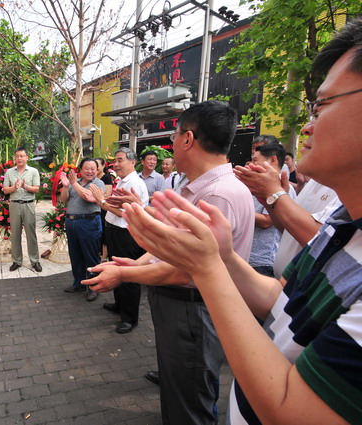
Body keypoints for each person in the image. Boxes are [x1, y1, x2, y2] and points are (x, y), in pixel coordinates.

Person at [117, 19, 362, 424]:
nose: (307, 125)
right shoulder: (341, 224)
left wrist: (208, 267)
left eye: (322, 105)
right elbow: (280, 298)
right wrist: (224, 257)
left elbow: (292, 411)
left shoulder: (221, 190)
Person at [86, 101, 254, 425]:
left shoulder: (217, 194)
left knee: (190, 404)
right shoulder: (199, 187)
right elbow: (172, 246)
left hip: (193, 308)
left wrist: (124, 274)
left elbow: (184, 270)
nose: (170, 144)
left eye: (174, 136)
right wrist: (134, 265)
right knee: (179, 392)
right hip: (182, 307)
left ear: (188, 139)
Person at [90, 147, 148, 334]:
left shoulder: (134, 184)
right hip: (114, 231)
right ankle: (120, 304)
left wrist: (102, 202)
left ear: (133, 162)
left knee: (128, 274)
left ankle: (130, 318)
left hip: (126, 234)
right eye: (115, 160)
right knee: (116, 268)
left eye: (120, 160)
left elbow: (126, 214)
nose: (115, 164)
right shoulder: (123, 181)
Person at [59, 158, 105, 302]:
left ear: (97, 170)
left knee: (91, 256)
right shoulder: (76, 182)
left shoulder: (98, 183)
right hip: (72, 222)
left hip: (89, 222)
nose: (90, 171)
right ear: (81, 170)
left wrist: (73, 183)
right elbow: (63, 199)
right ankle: (78, 283)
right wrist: (66, 186)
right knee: (75, 255)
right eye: (87, 168)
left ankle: (94, 287)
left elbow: (89, 197)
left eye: (93, 168)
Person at [248, 143, 296, 277]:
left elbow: (267, 221)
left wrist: (240, 211)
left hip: (263, 261)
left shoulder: (281, 186)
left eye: (255, 160)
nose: (252, 164)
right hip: (251, 258)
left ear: (273, 160)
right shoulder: (258, 183)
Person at [3, 147, 42, 272]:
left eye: (22, 156)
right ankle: (16, 260)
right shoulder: (9, 172)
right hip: (14, 205)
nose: (19, 158)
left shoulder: (33, 171)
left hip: (28, 204)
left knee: (31, 233)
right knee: (15, 233)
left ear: (27, 157)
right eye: (17, 156)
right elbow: (5, 190)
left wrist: (25, 186)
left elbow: (36, 189)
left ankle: (35, 261)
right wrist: (14, 187)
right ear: (15, 158)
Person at [95, 157, 113, 261]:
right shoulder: (92, 178)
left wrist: (96, 197)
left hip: (103, 207)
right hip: (94, 207)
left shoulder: (106, 177)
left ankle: (104, 255)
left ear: (103, 166)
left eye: (98, 165)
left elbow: (108, 194)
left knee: (103, 230)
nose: (96, 167)